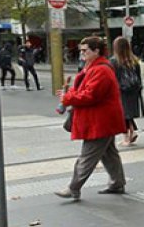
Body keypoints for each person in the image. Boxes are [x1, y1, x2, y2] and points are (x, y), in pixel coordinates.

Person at [54, 36, 127, 200]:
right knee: (109, 154)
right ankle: (117, 183)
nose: (82, 53)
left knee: (87, 156)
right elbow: (84, 92)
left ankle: (73, 188)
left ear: (96, 51)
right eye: (81, 50)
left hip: (100, 122)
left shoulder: (100, 70)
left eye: (85, 50)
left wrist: (67, 98)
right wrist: (69, 95)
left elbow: (89, 96)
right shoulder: (96, 67)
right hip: (103, 120)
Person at [111, 36, 144, 146]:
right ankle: (132, 132)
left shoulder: (114, 61)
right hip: (134, 90)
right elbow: (139, 77)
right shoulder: (134, 60)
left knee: (122, 114)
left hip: (121, 90)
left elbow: (113, 78)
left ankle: (127, 136)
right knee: (128, 113)